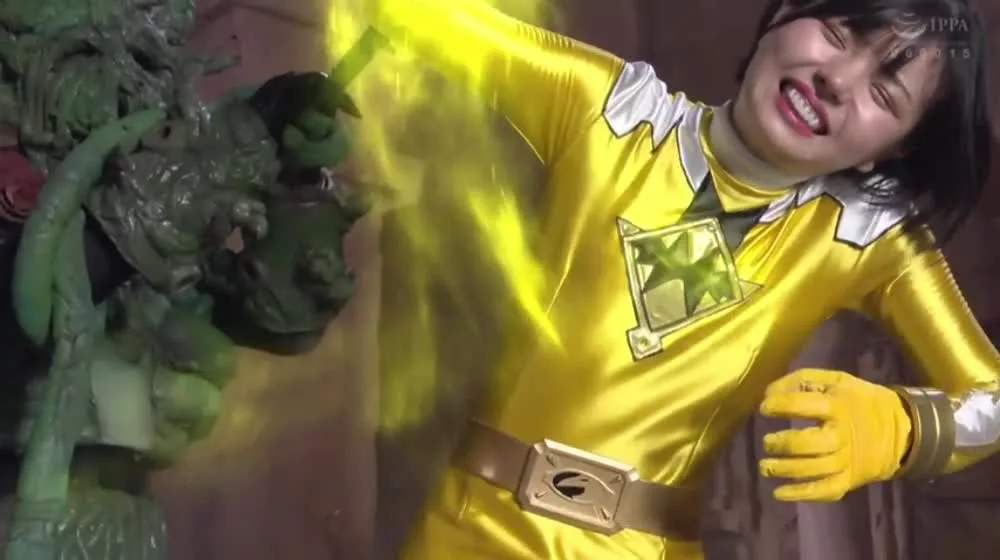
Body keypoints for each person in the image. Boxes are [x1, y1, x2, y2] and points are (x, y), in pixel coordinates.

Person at [362, 0, 997, 557]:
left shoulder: (862, 239)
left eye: (885, 94)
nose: (837, 79)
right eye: (838, 33)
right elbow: (421, 15)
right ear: (785, 12)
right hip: (460, 535)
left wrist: (901, 429)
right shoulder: (609, 115)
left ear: (892, 150)